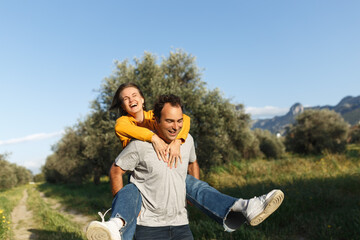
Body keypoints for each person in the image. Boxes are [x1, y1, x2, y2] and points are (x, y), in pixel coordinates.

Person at [86, 86, 284, 240]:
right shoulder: (125, 125)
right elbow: (117, 168)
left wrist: (179, 140)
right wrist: (154, 139)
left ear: (143, 98)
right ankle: (115, 225)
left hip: (179, 220)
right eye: (125, 98)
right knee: (130, 192)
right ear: (122, 105)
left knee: (194, 185)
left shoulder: (170, 126)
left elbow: (186, 122)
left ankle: (244, 206)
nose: (131, 100)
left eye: (134, 95)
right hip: (141, 181)